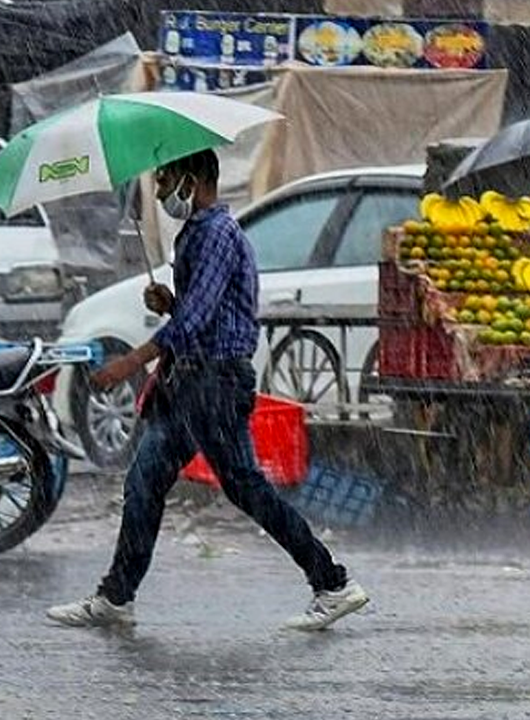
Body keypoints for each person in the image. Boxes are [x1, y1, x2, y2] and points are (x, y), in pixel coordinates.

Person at [46, 150, 367, 631]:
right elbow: (201, 311)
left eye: (164, 180)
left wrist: (131, 361)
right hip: (190, 380)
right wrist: (169, 302)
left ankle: (333, 583)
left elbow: (197, 320)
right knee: (144, 482)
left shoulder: (216, 234)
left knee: (245, 487)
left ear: (191, 180)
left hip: (214, 383)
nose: (158, 192)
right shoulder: (197, 232)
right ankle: (116, 597)